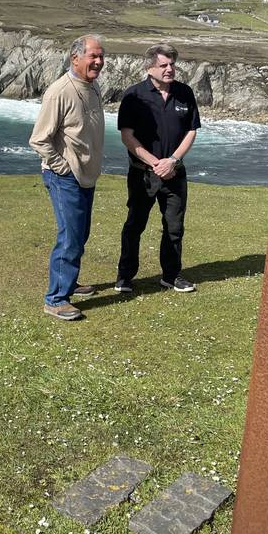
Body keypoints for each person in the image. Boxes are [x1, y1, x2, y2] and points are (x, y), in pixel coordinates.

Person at [29, 34, 105, 321]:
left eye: (100, 56)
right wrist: (62, 167)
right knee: (70, 237)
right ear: (75, 58)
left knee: (80, 233)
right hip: (66, 177)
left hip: (86, 175)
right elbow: (39, 139)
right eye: (92, 56)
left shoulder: (92, 86)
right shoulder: (60, 91)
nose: (98, 62)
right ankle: (56, 299)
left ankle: (69, 283)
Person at [115, 43, 201, 295]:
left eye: (172, 64)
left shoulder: (185, 93)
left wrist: (172, 160)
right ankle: (125, 277)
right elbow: (127, 136)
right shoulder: (134, 95)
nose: (170, 69)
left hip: (175, 172)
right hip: (143, 173)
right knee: (135, 224)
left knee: (174, 227)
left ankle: (172, 276)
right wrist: (156, 163)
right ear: (149, 68)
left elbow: (191, 130)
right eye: (163, 65)